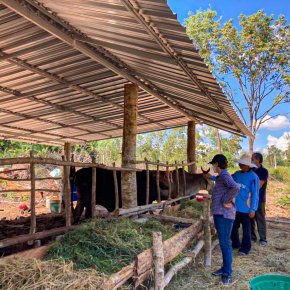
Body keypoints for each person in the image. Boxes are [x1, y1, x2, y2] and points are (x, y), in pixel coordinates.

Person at [207, 154, 240, 286]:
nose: (212, 167)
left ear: (216, 164)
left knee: (225, 243)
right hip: (220, 213)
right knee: (223, 242)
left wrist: (226, 199)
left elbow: (235, 187)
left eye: (213, 164)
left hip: (224, 214)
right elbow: (224, 184)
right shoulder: (222, 176)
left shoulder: (225, 175)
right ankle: (224, 268)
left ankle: (227, 273)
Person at [231, 154, 260, 256]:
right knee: (233, 227)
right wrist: (212, 177)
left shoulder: (253, 177)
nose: (240, 165)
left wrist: (253, 209)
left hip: (247, 209)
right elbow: (226, 180)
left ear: (248, 165)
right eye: (240, 163)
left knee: (246, 230)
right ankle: (235, 244)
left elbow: (255, 194)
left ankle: (245, 249)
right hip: (235, 207)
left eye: (242, 164)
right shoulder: (236, 175)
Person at [251, 152, 269, 246]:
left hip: (259, 199)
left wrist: (247, 187)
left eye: (252, 158)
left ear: (258, 160)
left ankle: (263, 239)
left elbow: (259, 185)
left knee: (260, 218)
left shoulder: (263, 171)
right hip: (249, 198)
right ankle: (252, 237)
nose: (251, 160)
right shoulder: (250, 170)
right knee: (251, 218)